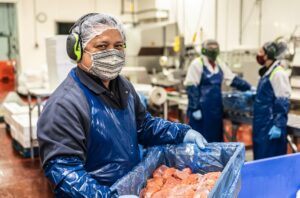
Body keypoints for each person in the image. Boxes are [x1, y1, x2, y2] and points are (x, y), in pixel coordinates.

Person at [37, 13, 207, 198]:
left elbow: (143, 126)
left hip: (131, 188)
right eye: (102, 46)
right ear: (77, 51)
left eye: (118, 46)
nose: (112, 53)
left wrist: (181, 132)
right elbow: (62, 169)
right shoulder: (65, 104)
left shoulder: (123, 86)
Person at [184, 39, 252, 142]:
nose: (214, 51)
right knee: (200, 139)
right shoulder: (197, 64)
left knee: (215, 139)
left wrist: (248, 87)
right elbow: (191, 86)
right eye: (211, 48)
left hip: (215, 109)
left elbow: (231, 78)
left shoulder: (219, 63)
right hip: (201, 110)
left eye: (216, 48)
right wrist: (194, 108)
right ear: (204, 50)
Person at [253, 41, 291, 160]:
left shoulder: (278, 73)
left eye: (261, 52)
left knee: (271, 161)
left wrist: (278, 125)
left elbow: (283, 100)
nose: (258, 54)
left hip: (270, 125)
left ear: (268, 54)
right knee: (261, 159)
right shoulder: (267, 72)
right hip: (261, 124)